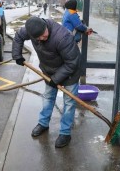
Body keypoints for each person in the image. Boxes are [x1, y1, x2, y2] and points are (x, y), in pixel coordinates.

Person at [12, 16, 81, 148]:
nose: (42, 39)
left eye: (44, 35)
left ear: (45, 26)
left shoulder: (62, 37)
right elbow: (19, 36)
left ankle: (65, 132)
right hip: (49, 70)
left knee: (69, 103)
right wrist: (17, 55)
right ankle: (43, 123)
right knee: (48, 97)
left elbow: (72, 63)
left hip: (70, 72)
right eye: (39, 38)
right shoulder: (31, 30)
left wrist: (56, 79)